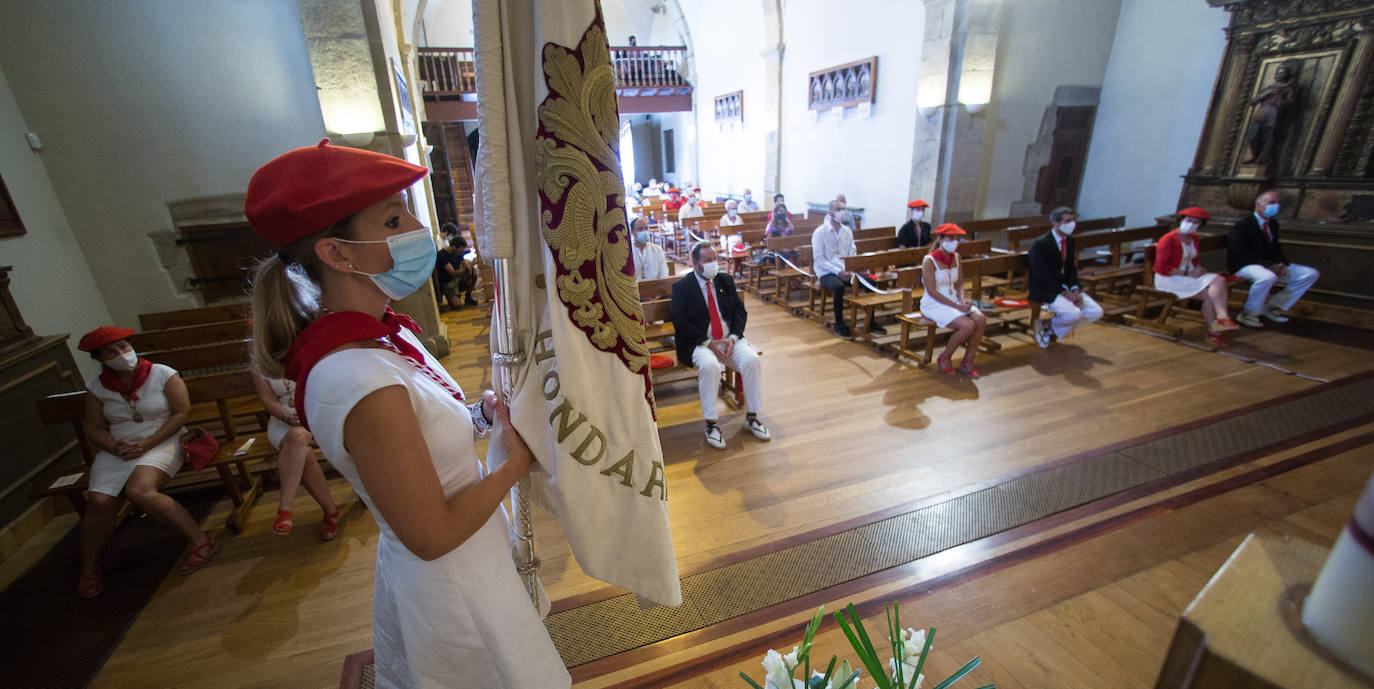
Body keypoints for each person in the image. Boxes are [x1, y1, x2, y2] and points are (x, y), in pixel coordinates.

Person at [244, 139, 568, 688]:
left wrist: (480, 417)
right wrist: (517, 464)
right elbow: (430, 534)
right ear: (337, 254)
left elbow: (422, 435)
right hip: (453, 581)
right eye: (395, 219)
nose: (419, 229)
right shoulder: (356, 376)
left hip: (477, 553)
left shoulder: (382, 339)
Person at [74, 327, 217, 598]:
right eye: (111, 352)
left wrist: (147, 444)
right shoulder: (96, 387)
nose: (121, 354)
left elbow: (181, 413)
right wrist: (116, 447)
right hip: (118, 448)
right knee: (99, 502)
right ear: (100, 358)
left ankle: (201, 540)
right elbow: (93, 427)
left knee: (139, 491)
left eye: (123, 347)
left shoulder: (162, 374)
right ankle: (89, 568)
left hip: (162, 440)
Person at [670, 241, 770, 450]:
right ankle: (711, 424)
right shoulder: (681, 287)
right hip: (699, 343)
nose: (713, 264)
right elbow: (680, 323)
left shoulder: (724, 280)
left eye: (715, 259)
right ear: (695, 263)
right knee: (710, 366)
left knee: (752, 360)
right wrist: (709, 343)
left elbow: (740, 313)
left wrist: (732, 338)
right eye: (708, 260)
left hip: (729, 340)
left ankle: (752, 418)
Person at [252, 372, 341, 538]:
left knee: (298, 441)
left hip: (317, 415)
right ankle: (330, 512)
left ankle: (286, 509)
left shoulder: (310, 348)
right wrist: (287, 417)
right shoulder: (259, 360)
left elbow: (328, 388)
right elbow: (267, 399)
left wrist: (310, 417)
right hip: (283, 422)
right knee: (300, 445)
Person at [1227, 190, 1320, 328]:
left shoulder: (1273, 224)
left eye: (1278, 203)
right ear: (1259, 204)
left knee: (1309, 274)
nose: (1276, 206)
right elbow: (1239, 253)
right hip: (1244, 265)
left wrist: (1281, 263)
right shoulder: (1243, 225)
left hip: (1268, 264)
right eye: (1271, 202)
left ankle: (1271, 307)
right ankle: (1249, 314)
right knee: (1267, 277)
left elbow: (1275, 246)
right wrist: (1269, 266)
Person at [1154, 207, 1241, 347]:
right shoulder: (1168, 239)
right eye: (1189, 221)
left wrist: (1198, 268)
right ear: (1181, 221)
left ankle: (1215, 330)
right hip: (1169, 278)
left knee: (1213, 290)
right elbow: (1161, 267)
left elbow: (1193, 259)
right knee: (1217, 283)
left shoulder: (1193, 238)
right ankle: (1221, 319)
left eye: (1196, 222)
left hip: (1188, 277)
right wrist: (1188, 274)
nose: (1192, 224)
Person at [1028, 206, 1103, 347]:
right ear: (1056, 223)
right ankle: (1048, 326)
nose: (1072, 224)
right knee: (1073, 314)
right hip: (1045, 289)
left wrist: (1075, 290)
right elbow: (1040, 274)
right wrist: (1063, 292)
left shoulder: (1069, 241)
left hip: (1065, 287)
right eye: (1068, 221)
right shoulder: (1041, 244)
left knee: (1096, 312)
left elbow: (1071, 269)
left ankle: (1049, 326)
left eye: (1073, 220)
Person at [919, 224, 987, 378]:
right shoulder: (929, 260)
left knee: (980, 319)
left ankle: (968, 360)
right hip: (934, 303)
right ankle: (945, 356)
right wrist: (956, 305)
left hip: (954, 300)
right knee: (968, 325)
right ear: (941, 239)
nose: (955, 242)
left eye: (957, 238)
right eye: (951, 238)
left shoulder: (956, 257)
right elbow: (932, 290)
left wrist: (963, 300)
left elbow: (959, 283)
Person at [814, 203, 885, 337]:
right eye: (838, 210)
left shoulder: (847, 231)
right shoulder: (820, 232)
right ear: (830, 213)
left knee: (870, 283)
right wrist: (838, 272)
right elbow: (820, 260)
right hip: (827, 272)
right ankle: (839, 325)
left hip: (847, 270)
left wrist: (851, 269)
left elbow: (852, 252)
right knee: (838, 287)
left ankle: (870, 321)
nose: (842, 212)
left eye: (843, 209)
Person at [436, 234, 478, 308]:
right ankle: (453, 297)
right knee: (457, 305)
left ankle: (468, 297)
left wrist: (471, 265)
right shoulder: (442, 255)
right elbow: (453, 273)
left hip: (457, 279)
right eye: (461, 249)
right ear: (454, 247)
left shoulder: (457, 253)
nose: (461, 252)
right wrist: (468, 267)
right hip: (448, 283)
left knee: (473, 272)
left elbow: (465, 264)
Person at [630, 216, 669, 280]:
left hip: (656, 287)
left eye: (646, 228)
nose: (644, 231)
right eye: (640, 229)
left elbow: (664, 273)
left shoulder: (657, 250)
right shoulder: (628, 252)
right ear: (632, 232)